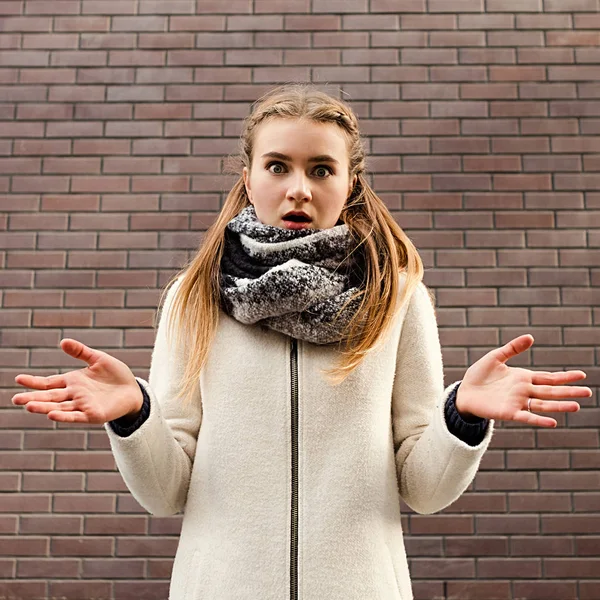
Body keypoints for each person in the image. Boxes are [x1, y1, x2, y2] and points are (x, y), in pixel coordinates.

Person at [12, 84, 592, 600]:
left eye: (320, 169)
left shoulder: (397, 298)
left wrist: (461, 416)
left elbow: (424, 489)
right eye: (277, 166)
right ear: (248, 179)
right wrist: (136, 415)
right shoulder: (193, 299)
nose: (298, 188)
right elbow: (168, 493)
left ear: (349, 183)